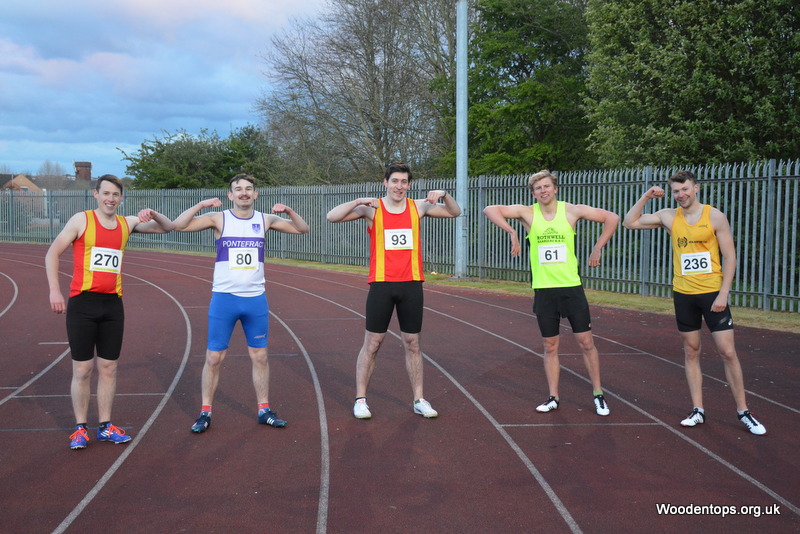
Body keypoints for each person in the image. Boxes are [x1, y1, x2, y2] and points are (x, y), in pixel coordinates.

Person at [623, 170, 766, 435]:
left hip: (712, 294)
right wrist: (646, 196)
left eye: (685, 189)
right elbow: (629, 222)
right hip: (684, 294)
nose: (681, 195)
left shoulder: (715, 216)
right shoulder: (668, 216)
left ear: (696, 188)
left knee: (727, 352)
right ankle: (698, 410)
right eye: (676, 191)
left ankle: (744, 412)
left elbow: (730, 257)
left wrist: (723, 293)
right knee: (691, 351)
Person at [45, 174, 174, 450]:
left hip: (113, 305)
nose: (110, 199)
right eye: (106, 193)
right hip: (83, 304)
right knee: (82, 369)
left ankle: (105, 426)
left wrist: (153, 214)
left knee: (109, 368)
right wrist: (54, 291)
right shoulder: (82, 220)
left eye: (115, 194)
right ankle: (80, 429)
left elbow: (167, 228)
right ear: (96, 194)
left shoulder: (127, 223)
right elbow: (52, 253)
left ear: (121, 197)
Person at [173, 173, 309, 433]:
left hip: (255, 299)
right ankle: (205, 412)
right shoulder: (218, 218)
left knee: (260, 356)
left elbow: (303, 229)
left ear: (255, 194)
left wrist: (290, 211)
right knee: (214, 357)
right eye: (238, 189)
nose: (244, 192)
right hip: (224, 298)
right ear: (230, 195)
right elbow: (178, 226)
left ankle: (264, 410)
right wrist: (201, 205)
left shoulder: (265, 220)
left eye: (248, 189)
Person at [326, 161, 461, 419]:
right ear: (385, 183)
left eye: (404, 182)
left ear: (409, 185)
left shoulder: (418, 206)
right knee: (373, 343)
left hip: (411, 284)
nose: (399, 186)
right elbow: (332, 216)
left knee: (413, 343)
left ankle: (419, 399)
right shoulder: (372, 208)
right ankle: (360, 400)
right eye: (395, 181)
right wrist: (358, 201)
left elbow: (455, 212)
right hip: (381, 284)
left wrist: (445, 194)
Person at [483, 170, 619, 416]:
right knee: (550, 345)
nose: (543, 191)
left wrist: (598, 247)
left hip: (571, 287)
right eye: (538, 188)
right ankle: (553, 397)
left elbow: (612, 217)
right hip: (544, 290)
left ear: (555, 188)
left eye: (546, 186)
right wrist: (511, 231)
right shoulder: (527, 213)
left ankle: (598, 394)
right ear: (533, 193)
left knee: (586, 343)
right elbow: (490, 209)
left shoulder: (571, 211)